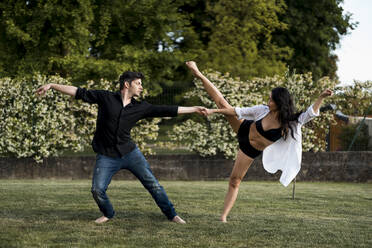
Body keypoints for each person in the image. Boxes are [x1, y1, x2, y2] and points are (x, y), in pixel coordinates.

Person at [36, 71, 207, 224]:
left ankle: (172, 215)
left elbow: (167, 109)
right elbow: (78, 92)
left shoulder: (141, 107)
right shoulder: (105, 97)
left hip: (131, 154)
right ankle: (108, 213)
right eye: (138, 83)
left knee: (154, 185)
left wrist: (194, 109)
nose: (141, 87)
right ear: (127, 84)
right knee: (97, 190)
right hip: (107, 155)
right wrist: (51, 85)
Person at [185, 61, 333, 222]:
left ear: (280, 103)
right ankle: (198, 73)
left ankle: (223, 217)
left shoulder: (291, 122)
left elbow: (310, 113)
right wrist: (214, 111)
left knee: (235, 181)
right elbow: (237, 111)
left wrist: (321, 97)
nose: (268, 102)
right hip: (243, 130)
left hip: (250, 150)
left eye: (271, 100)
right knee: (222, 103)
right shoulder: (262, 110)